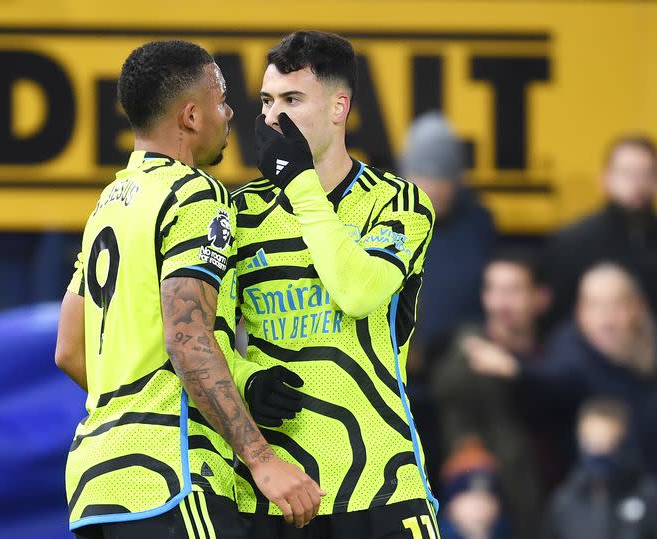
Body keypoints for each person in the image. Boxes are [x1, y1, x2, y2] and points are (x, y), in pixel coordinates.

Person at [55, 40, 323, 539]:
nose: (230, 114)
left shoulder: (109, 205)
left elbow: (70, 351)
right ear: (192, 116)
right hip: (170, 480)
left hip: (96, 487)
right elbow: (187, 336)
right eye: (222, 101)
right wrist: (262, 461)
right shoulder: (194, 193)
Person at [231, 31, 438, 538]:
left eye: (292, 99)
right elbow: (200, 334)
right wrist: (244, 378)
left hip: (384, 488)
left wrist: (299, 184)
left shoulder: (398, 203)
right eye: (266, 101)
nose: (273, 117)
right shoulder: (236, 213)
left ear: (339, 106)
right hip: (278, 494)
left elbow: (358, 293)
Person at [470, 262, 657, 475]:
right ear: (579, 313)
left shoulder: (649, 351)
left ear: (639, 307)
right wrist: (516, 370)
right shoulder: (569, 348)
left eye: (617, 305)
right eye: (594, 306)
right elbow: (553, 379)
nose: (606, 319)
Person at [430, 249, 550, 539]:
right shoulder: (466, 358)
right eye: (493, 290)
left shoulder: (556, 353)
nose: (501, 302)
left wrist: (517, 371)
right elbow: (455, 422)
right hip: (498, 507)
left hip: (553, 502)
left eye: (513, 290)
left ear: (540, 298)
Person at [399, 111, 496, 360]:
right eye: (425, 177)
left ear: (457, 180)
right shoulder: (384, 218)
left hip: (460, 351)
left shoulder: (479, 223)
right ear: (406, 175)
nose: (435, 188)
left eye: (443, 178)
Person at [545, 136, 657, 328]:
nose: (638, 184)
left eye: (647, 173)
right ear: (605, 179)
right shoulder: (572, 241)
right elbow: (559, 314)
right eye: (627, 173)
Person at [542, 397, 657, 539]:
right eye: (590, 441)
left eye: (608, 441)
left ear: (623, 441)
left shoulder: (649, 496)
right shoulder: (564, 502)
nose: (598, 450)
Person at [437, 437, 511, 539]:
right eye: (469, 497)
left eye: (486, 497)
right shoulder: (433, 533)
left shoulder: (506, 530)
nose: (479, 507)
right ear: (450, 506)